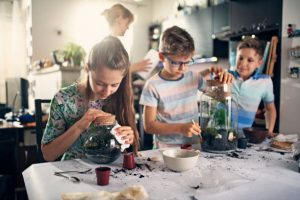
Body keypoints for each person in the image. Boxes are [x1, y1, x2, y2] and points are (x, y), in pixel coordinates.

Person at [41, 36, 139, 161]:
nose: (107, 91)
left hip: (112, 167)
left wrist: (129, 136)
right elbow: (48, 154)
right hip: (73, 170)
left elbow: (126, 147)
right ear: (87, 69)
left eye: (114, 85)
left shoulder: (120, 96)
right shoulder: (63, 100)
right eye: (100, 83)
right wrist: (79, 126)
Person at [139, 26, 233, 149]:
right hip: (165, 147)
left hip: (194, 144)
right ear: (162, 57)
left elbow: (221, 96)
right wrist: (181, 128)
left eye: (187, 62)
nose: (182, 68)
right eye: (176, 63)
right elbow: (149, 126)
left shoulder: (193, 77)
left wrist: (225, 80)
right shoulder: (152, 85)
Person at [229, 37, 277, 138]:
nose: (243, 63)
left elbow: (270, 109)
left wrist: (270, 131)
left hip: (245, 137)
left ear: (259, 63)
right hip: (219, 135)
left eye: (250, 60)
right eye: (240, 58)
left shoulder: (265, 81)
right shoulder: (226, 76)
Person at [101, 3, 152, 74]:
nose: (127, 28)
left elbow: (117, 68)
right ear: (119, 19)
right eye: (127, 24)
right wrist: (134, 67)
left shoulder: (114, 42)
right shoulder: (108, 44)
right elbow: (110, 73)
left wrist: (135, 67)